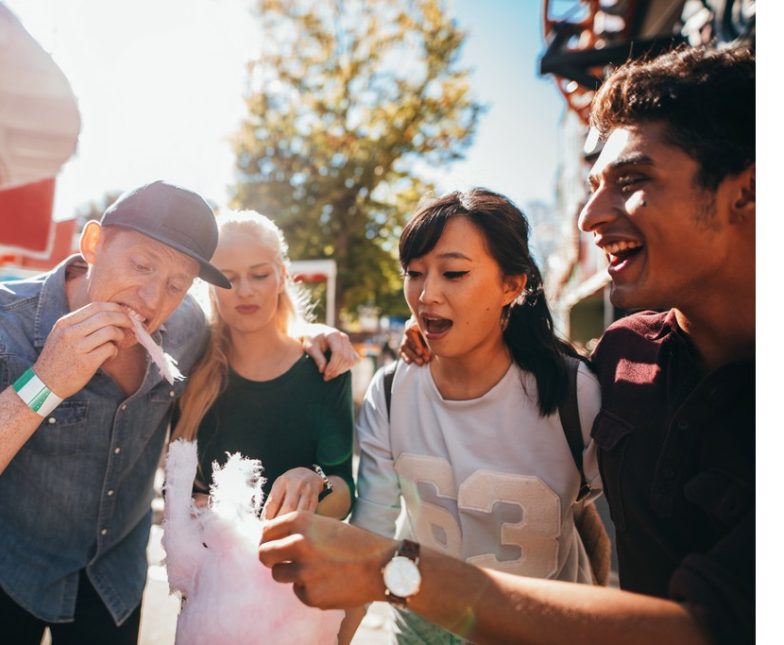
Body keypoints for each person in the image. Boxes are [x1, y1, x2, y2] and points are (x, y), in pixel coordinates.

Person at [258, 43, 754, 644]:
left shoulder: (576, 391)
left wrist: (389, 569)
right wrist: (312, 331)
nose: (589, 215)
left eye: (632, 179)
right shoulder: (624, 357)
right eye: (415, 273)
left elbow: (710, 627)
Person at [0, 180, 354, 644]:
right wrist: (44, 383)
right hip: (5, 570)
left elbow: (244, 346)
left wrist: (312, 338)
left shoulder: (186, 330)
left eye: (178, 284)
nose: (154, 299)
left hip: (113, 585)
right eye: (142, 265)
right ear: (93, 244)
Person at [340, 189, 605, 644]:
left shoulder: (575, 394)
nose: (426, 295)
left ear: (512, 285)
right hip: (421, 630)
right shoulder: (390, 390)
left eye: (454, 273)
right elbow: (371, 540)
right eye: (415, 273)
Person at [172, 209, 354, 520]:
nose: (245, 290)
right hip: (210, 564)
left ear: (282, 275)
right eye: (228, 278)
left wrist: (314, 485)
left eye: (259, 274)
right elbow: (179, 490)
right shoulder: (190, 366)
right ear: (211, 286)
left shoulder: (324, 367)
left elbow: (344, 485)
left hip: (295, 563)